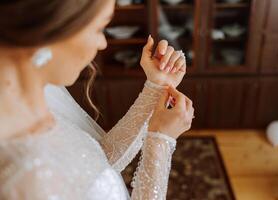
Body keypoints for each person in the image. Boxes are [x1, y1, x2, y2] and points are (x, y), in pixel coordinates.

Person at [0, 0, 194, 199]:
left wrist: (155, 87)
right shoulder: (25, 177)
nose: (103, 43)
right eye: (99, 28)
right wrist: (160, 142)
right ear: (47, 32)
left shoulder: (33, 100)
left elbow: (94, 164)